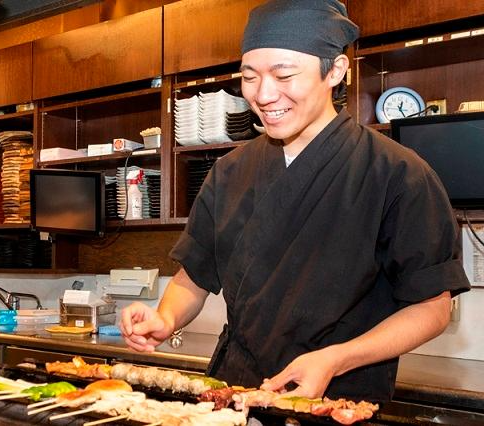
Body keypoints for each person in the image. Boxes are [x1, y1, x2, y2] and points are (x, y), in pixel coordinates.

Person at [120, 0, 470, 403]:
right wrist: (165, 318)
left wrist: (336, 359)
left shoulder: (397, 174)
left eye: (284, 74)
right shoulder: (230, 171)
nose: (265, 95)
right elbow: (194, 277)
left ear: (335, 71)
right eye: (249, 77)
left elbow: (432, 308)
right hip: (236, 392)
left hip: (338, 396)